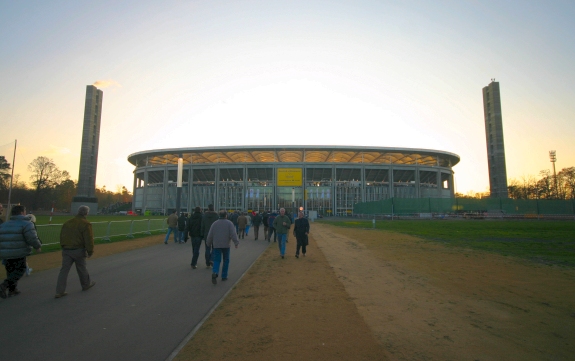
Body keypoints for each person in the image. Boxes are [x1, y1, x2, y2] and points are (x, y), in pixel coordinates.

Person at [0, 205, 42, 298]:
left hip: (5, 252)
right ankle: (4, 285)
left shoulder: (4, 225)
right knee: (20, 270)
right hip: (18, 251)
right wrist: (37, 246)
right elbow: (32, 238)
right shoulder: (26, 224)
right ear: (22, 212)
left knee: (10, 271)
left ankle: (12, 290)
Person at [55, 205, 96, 298]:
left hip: (66, 249)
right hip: (78, 250)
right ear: (86, 213)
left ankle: (59, 291)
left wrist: (63, 246)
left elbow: (62, 236)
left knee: (64, 271)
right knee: (81, 268)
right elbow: (88, 239)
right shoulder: (85, 224)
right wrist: (90, 251)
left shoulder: (67, 223)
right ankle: (85, 285)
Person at [206, 210, 239, 285]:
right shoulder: (229, 223)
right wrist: (236, 242)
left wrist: (208, 243)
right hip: (226, 244)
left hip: (216, 245)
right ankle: (224, 276)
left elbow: (210, 235)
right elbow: (233, 234)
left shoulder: (214, 224)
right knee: (226, 260)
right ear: (226, 216)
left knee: (217, 260)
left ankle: (215, 272)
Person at [201, 204, 218, 269]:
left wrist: (202, 234)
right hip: (214, 234)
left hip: (206, 234)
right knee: (214, 248)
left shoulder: (204, 216)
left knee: (207, 249)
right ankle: (212, 259)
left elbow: (202, 225)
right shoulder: (216, 216)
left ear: (208, 208)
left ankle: (207, 263)